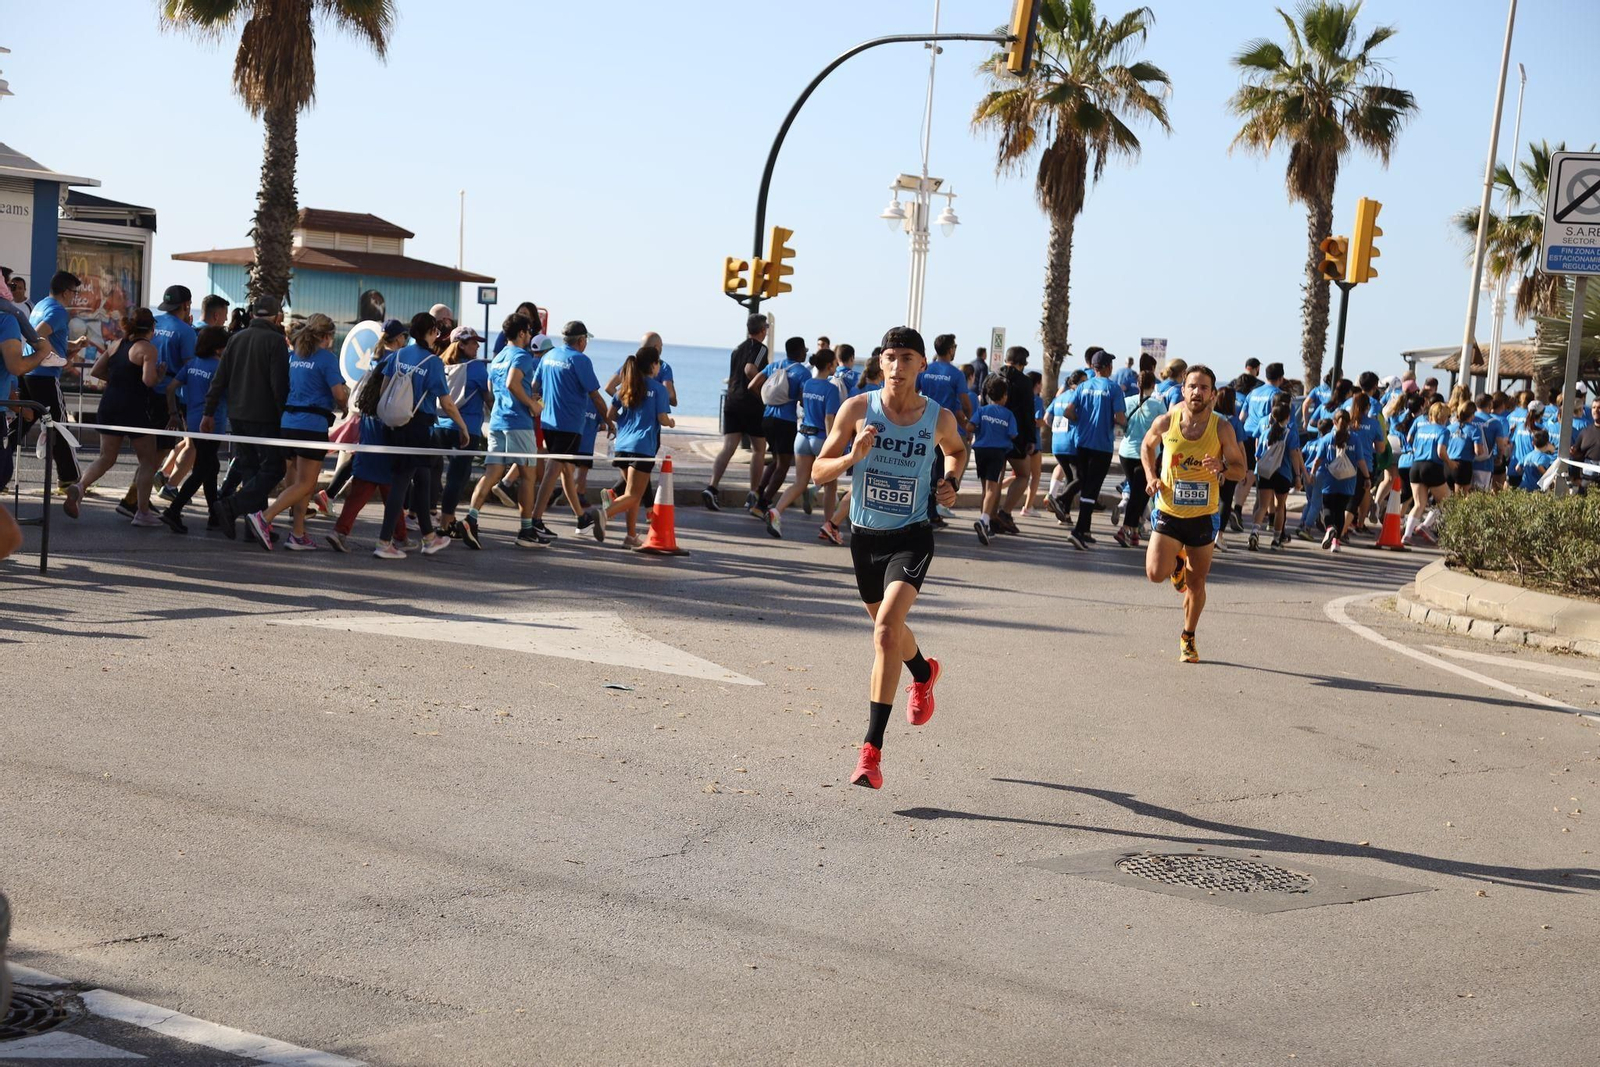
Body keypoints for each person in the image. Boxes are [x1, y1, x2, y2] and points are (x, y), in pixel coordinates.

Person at [810, 326, 968, 790]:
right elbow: (819, 470)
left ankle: (871, 753)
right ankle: (924, 671)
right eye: (891, 357)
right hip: (865, 539)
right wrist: (851, 458)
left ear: (922, 365)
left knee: (883, 632)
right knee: (889, 629)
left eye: (908, 358)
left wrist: (951, 482)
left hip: (912, 536)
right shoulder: (857, 409)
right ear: (880, 362)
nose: (898, 366)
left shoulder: (937, 417)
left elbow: (957, 451)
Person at [1140, 364, 1246, 664]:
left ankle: (1188, 636)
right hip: (1169, 511)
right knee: (1153, 573)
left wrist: (1223, 467)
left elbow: (1241, 469)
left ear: (1212, 394)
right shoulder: (1168, 420)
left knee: (1197, 584)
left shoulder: (1221, 427)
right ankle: (1175, 562)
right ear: (1183, 389)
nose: (1197, 392)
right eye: (1192, 386)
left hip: (1204, 516)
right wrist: (1150, 476)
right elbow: (1147, 447)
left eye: (1204, 388)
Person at [242, 314, 346, 550]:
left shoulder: (293, 356)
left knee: (298, 482)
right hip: (311, 424)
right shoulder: (326, 359)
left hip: (288, 423)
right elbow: (339, 394)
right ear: (327, 336)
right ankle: (264, 518)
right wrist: (345, 405)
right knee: (307, 485)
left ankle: (298, 534)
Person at [373, 311, 470, 559]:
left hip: (396, 425)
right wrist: (463, 426)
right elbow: (447, 404)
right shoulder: (433, 362)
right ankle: (384, 541)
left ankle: (429, 537)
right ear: (431, 333)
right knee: (401, 484)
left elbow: (384, 388)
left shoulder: (398, 355)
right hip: (418, 428)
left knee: (424, 477)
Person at [205, 295, 290, 541]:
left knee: (250, 467)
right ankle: (232, 506)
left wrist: (208, 411)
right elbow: (279, 386)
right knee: (274, 468)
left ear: (253, 315)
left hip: (237, 414)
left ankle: (254, 527)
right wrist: (283, 417)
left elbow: (220, 378)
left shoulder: (235, 339)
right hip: (264, 417)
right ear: (277, 316)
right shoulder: (276, 342)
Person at [70, 308, 165, 525]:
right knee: (148, 461)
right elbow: (149, 381)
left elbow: (95, 371)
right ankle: (142, 512)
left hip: (110, 404)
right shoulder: (147, 349)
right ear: (152, 328)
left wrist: (118, 380)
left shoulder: (116, 345)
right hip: (133, 407)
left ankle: (80, 486)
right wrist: (158, 375)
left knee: (106, 457)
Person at [463, 313, 545, 547]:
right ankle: (527, 531)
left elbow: (492, 387)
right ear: (521, 333)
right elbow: (512, 383)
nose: (530, 336)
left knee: (492, 474)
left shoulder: (498, 357)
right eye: (529, 332)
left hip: (498, 421)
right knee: (528, 476)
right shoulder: (522, 356)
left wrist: (518, 397)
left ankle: (471, 519)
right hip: (519, 422)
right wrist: (531, 404)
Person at [581, 346, 673, 547]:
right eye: (658, 363)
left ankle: (630, 536)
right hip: (643, 446)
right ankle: (603, 514)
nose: (659, 367)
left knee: (632, 494)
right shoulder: (659, 389)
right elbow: (662, 418)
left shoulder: (626, 387)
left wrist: (624, 423)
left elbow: (611, 415)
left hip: (622, 445)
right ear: (652, 365)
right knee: (633, 495)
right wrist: (671, 423)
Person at [529, 320, 611, 538]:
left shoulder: (548, 356)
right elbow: (595, 395)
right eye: (586, 340)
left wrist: (540, 406)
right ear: (581, 340)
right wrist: (610, 421)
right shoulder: (580, 360)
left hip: (548, 423)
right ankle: (535, 519)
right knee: (553, 469)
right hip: (569, 425)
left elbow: (534, 388)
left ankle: (582, 518)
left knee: (566, 469)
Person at [764, 348, 842, 539]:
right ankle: (828, 526)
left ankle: (776, 511)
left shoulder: (807, 384)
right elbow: (828, 419)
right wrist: (833, 443)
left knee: (799, 483)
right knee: (831, 485)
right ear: (831, 365)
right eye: (835, 363)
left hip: (802, 437)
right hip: (820, 437)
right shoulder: (831, 388)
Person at [159, 326, 230, 533]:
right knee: (202, 470)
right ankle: (174, 510)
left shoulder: (191, 365)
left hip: (192, 421)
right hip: (211, 423)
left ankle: (214, 515)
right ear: (218, 349)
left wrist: (173, 413)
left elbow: (171, 388)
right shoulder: (220, 368)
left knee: (211, 466)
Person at [20, 271, 86, 491]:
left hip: (28, 374)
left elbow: (47, 336)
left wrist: (73, 344)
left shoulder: (41, 305)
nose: (74, 297)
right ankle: (70, 479)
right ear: (66, 291)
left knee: (22, 424)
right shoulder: (58, 311)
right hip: (45, 377)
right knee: (60, 427)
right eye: (74, 292)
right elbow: (38, 334)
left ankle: (2, 467)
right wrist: (49, 357)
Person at [1055, 350, 1125, 550]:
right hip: (1101, 446)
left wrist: (1082, 421)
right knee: (1090, 489)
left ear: (1094, 368)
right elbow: (1120, 418)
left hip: (1082, 443)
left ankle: (1085, 530)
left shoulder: (1083, 386)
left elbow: (1068, 412)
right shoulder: (1113, 388)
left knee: (1086, 484)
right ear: (1108, 368)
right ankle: (1078, 531)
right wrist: (1123, 423)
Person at [704, 313, 769, 511]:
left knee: (729, 447)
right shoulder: (760, 348)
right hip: (751, 404)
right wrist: (761, 390)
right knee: (759, 448)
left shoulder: (737, 349)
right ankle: (753, 493)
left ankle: (712, 487)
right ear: (761, 330)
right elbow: (750, 369)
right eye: (765, 327)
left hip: (732, 401)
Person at [435, 326, 491, 543]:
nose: (477, 346)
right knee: (457, 477)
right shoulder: (476, 369)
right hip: (465, 429)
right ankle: (446, 523)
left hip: (440, 425)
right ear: (462, 344)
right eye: (473, 343)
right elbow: (488, 399)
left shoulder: (440, 364)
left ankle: (439, 517)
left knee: (436, 474)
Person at [746, 336, 809, 516]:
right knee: (784, 464)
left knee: (776, 459)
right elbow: (804, 399)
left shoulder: (775, 365)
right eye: (805, 349)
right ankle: (763, 503)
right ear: (799, 351)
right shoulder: (802, 372)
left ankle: (757, 491)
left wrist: (767, 401)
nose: (806, 352)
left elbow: (752, 385)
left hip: (767, 418)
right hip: (786, 421)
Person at [917, 333, 972, 526]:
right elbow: (965, 403)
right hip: (943, 429)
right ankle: (931, 513)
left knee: (924, 469)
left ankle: (927, 511)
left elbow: (914, 393)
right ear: (950, 349)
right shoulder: (956, 374)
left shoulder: (925, 369)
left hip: (923, 424)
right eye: (955, 346)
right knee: (939, 473)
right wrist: (970, 424)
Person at [1113, 370, 1166, 547]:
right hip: (1148, 455)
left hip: (1126, 453)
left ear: (1137, 384)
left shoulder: (1127, 401)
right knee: (1140, 494)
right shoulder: (1158, 405)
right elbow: (1166, 430)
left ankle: (1134, 531)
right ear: (1153, 386)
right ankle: (1126, 528)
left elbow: (1119, 420)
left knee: (1141, 493)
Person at [1248, 394, 1304, 551]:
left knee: (1262, 506)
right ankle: (1276, 539)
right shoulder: (1290, 434)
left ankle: (1254, 531)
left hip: (1266, 473)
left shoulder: (1266, 433)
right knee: (1280, 507)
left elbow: (1258, 455)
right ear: (1287, 417)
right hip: (1283, 474)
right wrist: (1298, 476)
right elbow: (1294, 455)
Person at [995, 346, 1039, 532]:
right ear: (1023, 363)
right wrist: (1031, 439)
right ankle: (1004, 512)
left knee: (995, 478)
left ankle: (988, 516)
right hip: (1015, 437)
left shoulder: (993, 376)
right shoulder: (1024, 382)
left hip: (992, 434)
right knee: (1023, 475)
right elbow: (1028, 413)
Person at [970, 376, 1017, 544]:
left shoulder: (982, 411)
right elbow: (1013, 434)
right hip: (997, 453)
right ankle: (983, 520)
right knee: (992, 489)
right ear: (1004, 395)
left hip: (980, 451)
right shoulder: (1008, 414)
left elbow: (971, 426)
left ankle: (987, 524)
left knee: (985, 489)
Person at [1403, 401, 1451, 544]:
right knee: (1446, 501)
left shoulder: (1421, 430)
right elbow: (1440, 452)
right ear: (1444, 417)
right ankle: (1425, 525)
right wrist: (1450, 463)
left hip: (1416, 466)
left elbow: (1414, 446)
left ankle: (1407, 535)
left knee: (1419, 504)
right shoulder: (1443, 431)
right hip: (1432, 466)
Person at [1311, 411, 1359, 551]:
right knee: (1340, 510)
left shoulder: (1327, 439)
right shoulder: (1354, 439)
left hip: (1329, 479)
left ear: (1334, 422)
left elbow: (1318, 460)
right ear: (1349, 422)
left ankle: (1330, 528)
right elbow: (1361, 460)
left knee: (1327, 508)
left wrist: (1312, 474)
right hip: (1348, 481)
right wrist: (1367, 478)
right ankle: (1336, 543)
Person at [1444, 399, 1486, 494]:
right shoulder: (1474, 430)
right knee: (1460, 500)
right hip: (1463, 466)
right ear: (1472, 414)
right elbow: (1478, 451)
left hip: (1447, 464)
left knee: (1447, 499)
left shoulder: (1449, 428)